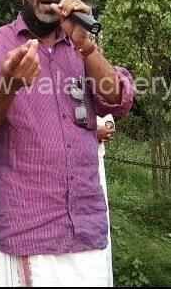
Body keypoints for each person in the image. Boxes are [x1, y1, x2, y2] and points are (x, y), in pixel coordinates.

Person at [0, 0, 134, 286]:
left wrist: (86, 46)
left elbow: (118, 100)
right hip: (29, 229)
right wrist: (8, 85)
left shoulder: (83, 45)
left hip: (87, 229)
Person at [96, 114, 116, 286]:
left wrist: (108, 125)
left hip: (94, 164)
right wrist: (92, 133)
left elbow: (107, 117)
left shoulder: (92, 89)